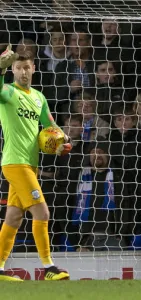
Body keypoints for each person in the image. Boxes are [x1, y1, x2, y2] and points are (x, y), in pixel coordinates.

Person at [0, 45, 72, 281]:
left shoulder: (39, 97)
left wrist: (64, 140)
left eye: (26, 68)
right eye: (18, 68)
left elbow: (51, 126)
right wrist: (0, 68)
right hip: (14, 162)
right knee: (42, 211)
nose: (22, 72)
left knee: (13, 217)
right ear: (13, 70)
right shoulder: (8, 92)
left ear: (34, 69)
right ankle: (49, 267)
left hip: (30, 165)